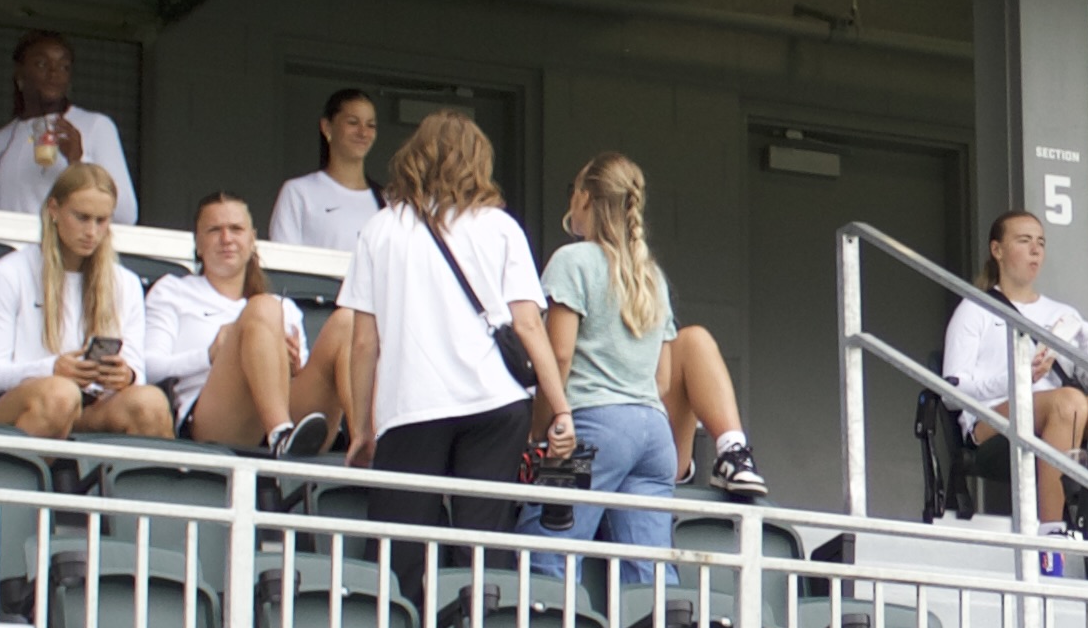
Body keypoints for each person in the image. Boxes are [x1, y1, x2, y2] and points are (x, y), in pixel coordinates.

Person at [340, 109, 570, 527]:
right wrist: (561, 409)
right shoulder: (501, 227)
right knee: (483, 545)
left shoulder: (379, 230)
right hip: (496, 401)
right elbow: (529, 325)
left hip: (412, 406)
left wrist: (361, 428)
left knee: (401, 544)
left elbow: (363, 343)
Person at [542, 152, 770, 522]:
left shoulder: (571, 260)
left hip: (589, 434)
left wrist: (541, 430)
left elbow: (560, 356)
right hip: (654, 440)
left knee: (547, 545)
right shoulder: (652, 276)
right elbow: (662, 380)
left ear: (584, 197)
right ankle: (733, 454)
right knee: (650, 572)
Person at [942, 210, 1088, 526]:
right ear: (998, 250)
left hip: (1061, 415)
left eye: (1041, 243)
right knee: (1067, 401)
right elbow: (951, 393)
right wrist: (1018, 378)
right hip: (991, 422)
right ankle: (1052, 534)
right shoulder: (974, 309)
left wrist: (1085, 335)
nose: (1035, 250)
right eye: (1024, 241)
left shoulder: (1060, 311)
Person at [0, 162, 174, 442]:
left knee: (151, 403)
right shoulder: (9, 272)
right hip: (16, 403)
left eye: (102, 220)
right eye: (82, 217)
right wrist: (51, 369)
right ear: (54, 210)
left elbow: (137, 368)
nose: (92, 231)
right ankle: (21, 480)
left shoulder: (125, 282)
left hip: (91, 405)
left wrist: (125, 376)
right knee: (61, 394)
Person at [150, 192, 345, 455]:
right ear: (197, 243)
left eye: (236, 229)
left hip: (287, 407)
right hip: (214, 421)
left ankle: (367, 449)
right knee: (262, 308)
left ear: (252, 239)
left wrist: (296, 366)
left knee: (346, 322)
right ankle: (280, 434)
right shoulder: (172, 291)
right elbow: (148, 366)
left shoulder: (284, 306)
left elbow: (301, 375)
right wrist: (208, 355)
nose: (226, 239)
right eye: (214, 230)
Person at [0, 30, 137, 221]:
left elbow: (125, 215)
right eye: (42, 64)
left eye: (64, 67)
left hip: (63, 251)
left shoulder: (95, 127)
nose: (54, 73)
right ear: (20, 74)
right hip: (13, 251)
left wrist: (78, 161)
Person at [271, 84, 385, 256]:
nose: (363, 132)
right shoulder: (298, 192)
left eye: (371, 125)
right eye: (353, 122)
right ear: (327, 127)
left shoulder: (388, 201)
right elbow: (285, 266)